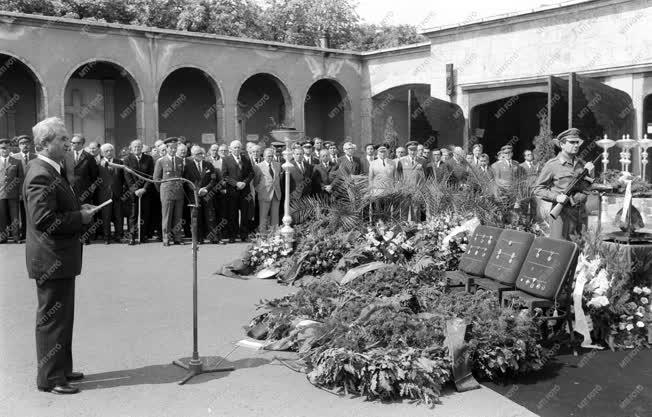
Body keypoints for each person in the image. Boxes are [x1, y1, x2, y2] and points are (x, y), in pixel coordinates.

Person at [24, 116, 95, 394]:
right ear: (44, 143)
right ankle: (51, 378)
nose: (68, 143)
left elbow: (58, 207)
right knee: (53, 321)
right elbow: (44, 219)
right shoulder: (40, 172)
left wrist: (80, 209)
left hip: (60, 258)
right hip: (51, 259)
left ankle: (62, 368)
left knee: (63, 318)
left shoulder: (52, 169)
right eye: (63, 139)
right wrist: (81, 218)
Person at [534, 128, 594, 240]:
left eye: (578, 142)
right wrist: (556, 197)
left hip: (581, 213)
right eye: (572, 142)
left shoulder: (581, 164)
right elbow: (538, 189)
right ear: (562, 144)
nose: (576, 145)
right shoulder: (552, 165)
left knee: (580, 249)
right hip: (562, 214)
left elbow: (587, 187)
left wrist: (590, 173)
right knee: (560, 250)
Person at [153, 137, 186, 246]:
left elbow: (182, 176)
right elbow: (156, 179)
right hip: (167, 192)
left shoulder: (180, 160)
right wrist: (162, 190)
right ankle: (166, 238)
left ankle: (177, 238)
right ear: (166, 148)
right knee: (167, 217)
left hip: (179, 193)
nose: (173, 150)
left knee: (178, 216)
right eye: (171, 148)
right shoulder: (161, 161)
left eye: (175, 148)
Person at [183, 145, 219, 243]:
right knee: (197, 217)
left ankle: (213, 237)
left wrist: (206, 189)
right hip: (194, 195)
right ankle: (199, 238)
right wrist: (197, 190)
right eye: (197, 154)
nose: (200, 155)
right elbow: (187, 181)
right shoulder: (188, 166)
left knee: (210, 216)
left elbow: (213, 179)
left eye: (201, 153)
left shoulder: (209, 165)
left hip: (207, 194)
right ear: (193, 155)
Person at [122, 139, 155, 245]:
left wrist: (144, 188)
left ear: (142, 148)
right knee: (133, 215)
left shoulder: (149, 159)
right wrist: (135, 190)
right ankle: (131, 236)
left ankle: (143, 235)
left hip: (145, 191)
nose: (137, 148)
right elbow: (127, 177)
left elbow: (151, 175)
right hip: (133, 192)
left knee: (144, 214)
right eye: (135, 147)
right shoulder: (127, 159)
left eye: (139, 146)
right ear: (131, 148)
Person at [221, 140, 254, 243]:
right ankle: (232, 235)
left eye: (238, 147)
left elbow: (251, 173)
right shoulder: (226, 159)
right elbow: (225, 176)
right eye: (234, 148)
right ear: (230, 149)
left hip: (245, 191)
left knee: (244, 214)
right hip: (232, 191)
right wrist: (236, 184)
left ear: (241, 149)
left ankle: (244, 235)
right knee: (232, 214)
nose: (237, 149)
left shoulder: (246, 159)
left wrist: (244, 183)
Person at [97, 143, 124, 244]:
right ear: (102, 153)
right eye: (106, 151)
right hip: (104, 194)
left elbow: (123, 178)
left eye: (111, 150)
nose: (109, 153)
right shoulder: (98, 163)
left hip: (117, 193)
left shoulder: (119, 162)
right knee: (106, 216)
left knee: (118, 216)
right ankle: (106, 237)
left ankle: (119, 235)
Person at [63, 134, 99, 211]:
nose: (71, 144)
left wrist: (90, 191)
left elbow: (94, 176)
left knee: (84, 215)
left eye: (73, 142)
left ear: (81, 144)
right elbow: (63, 172)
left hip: (84, 193)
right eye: (71, 142)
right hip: (69, 192)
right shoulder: (66, 155)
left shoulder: (89, 157)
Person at [11, 135, 36, 241]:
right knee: (21, 213)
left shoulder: (35, 157)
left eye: (26, 143)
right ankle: (23, 233)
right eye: (22, 143)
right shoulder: (14, 157)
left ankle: (32, 233)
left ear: (30, 144)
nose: (24, 145)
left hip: (33, 189)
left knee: (33, 212)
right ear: (19, 145)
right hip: (19, 189)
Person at [0, 138, 24, 243]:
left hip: (13, 194)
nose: (4, 150)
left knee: (15, 217)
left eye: (6, 148)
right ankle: (3, 237)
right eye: (2, 148)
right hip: (0, 194)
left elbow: (21, 178)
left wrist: (20, 193)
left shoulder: (16, 162)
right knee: (2, 217)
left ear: (10, 148)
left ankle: (16, 237)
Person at [253, 147, 282, 231]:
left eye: (272, 156)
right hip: (264, 194)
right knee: (263, 216)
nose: (270, 158)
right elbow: (255, 181)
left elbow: (278, 178)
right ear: (264, 156)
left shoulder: (278, 165)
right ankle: (263, 236)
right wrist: (260, 190)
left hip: (276, 194)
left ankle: (275, 236)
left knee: (275, 216)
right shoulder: (258, 166)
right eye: (269, 156)